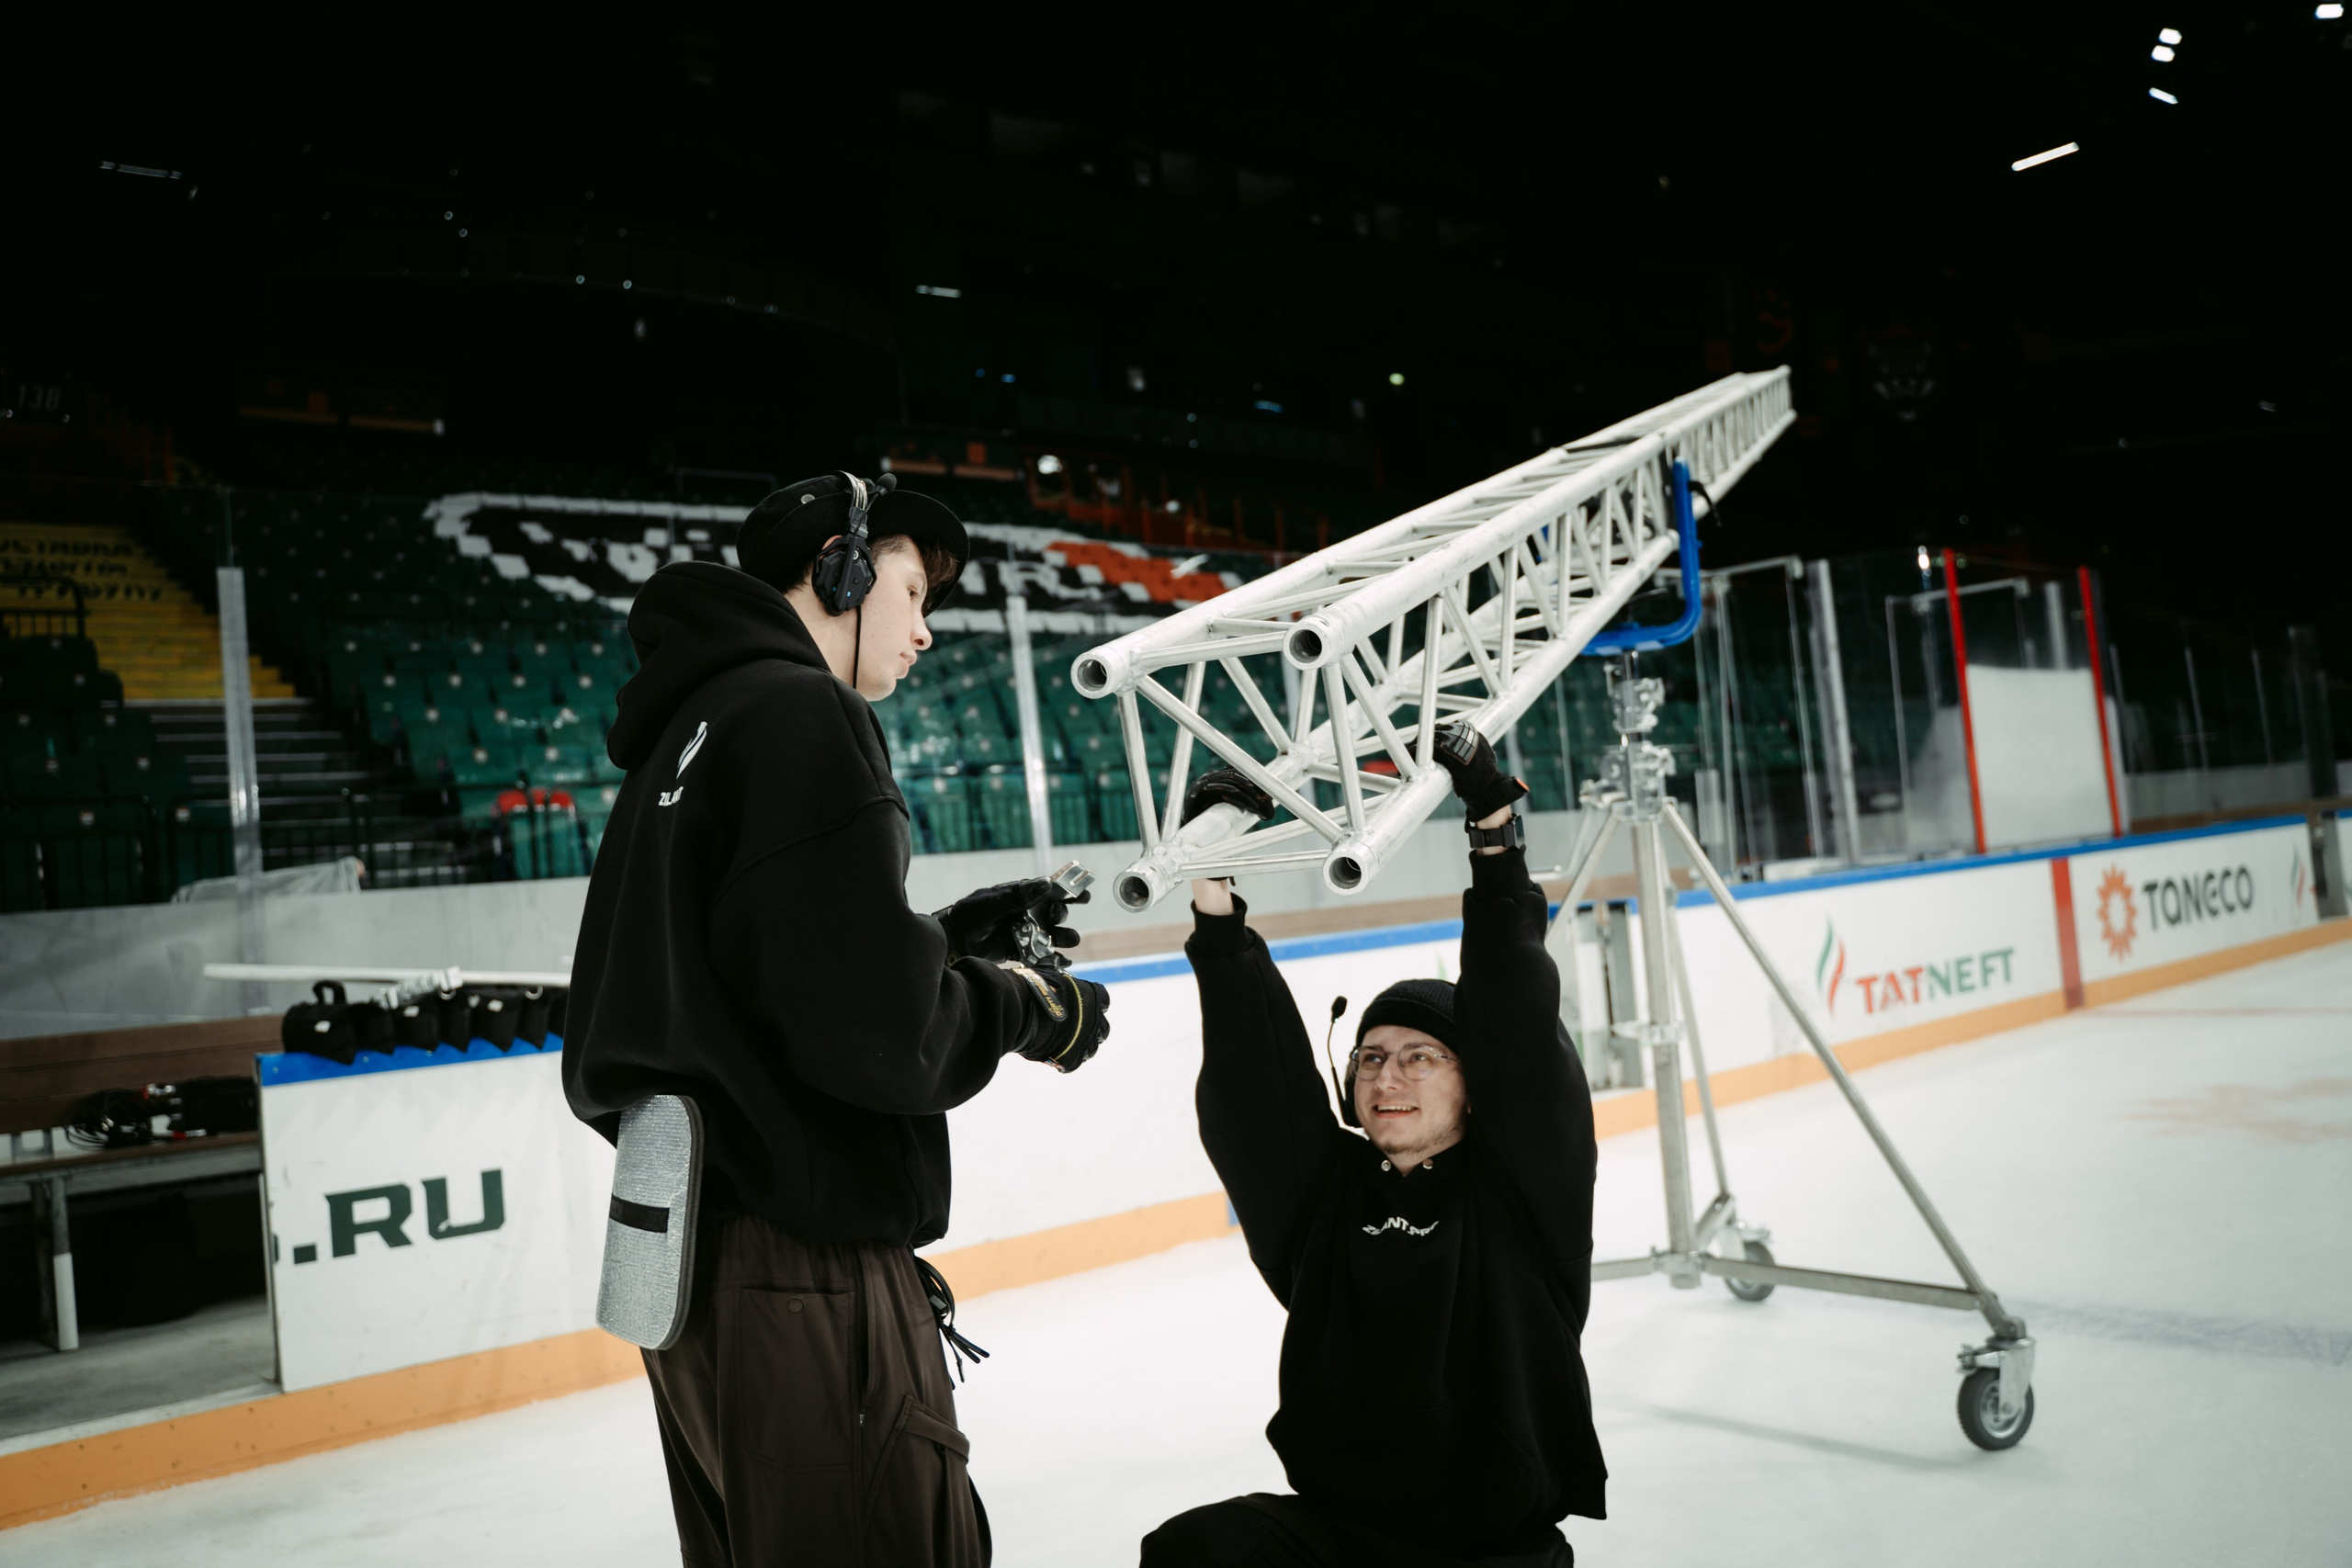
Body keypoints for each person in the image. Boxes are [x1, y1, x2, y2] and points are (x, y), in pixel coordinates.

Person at [564, 471, 1112, 1568]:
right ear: (838, 571)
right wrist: (1029, 1007)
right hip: (803, 1282)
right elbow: (876, 1038)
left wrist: (949, 940)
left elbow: (760, 984)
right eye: (909, 592)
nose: (922, 632)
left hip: (697, 1282)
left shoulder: (688, 734)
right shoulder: (806, 710)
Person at [1142, 726, 1604, 1568]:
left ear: (1475, 1085)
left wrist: (1493, 830)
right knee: (1193, 1549)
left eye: (1422, 1056)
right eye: (1371, 1057)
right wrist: (1211, 881)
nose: (1388, 1074)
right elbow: (1258, 1089)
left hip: (1489, 1547)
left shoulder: (1524, 1192)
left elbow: (1517, 1024)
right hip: (1342, 1532)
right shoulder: (1327, 1200)